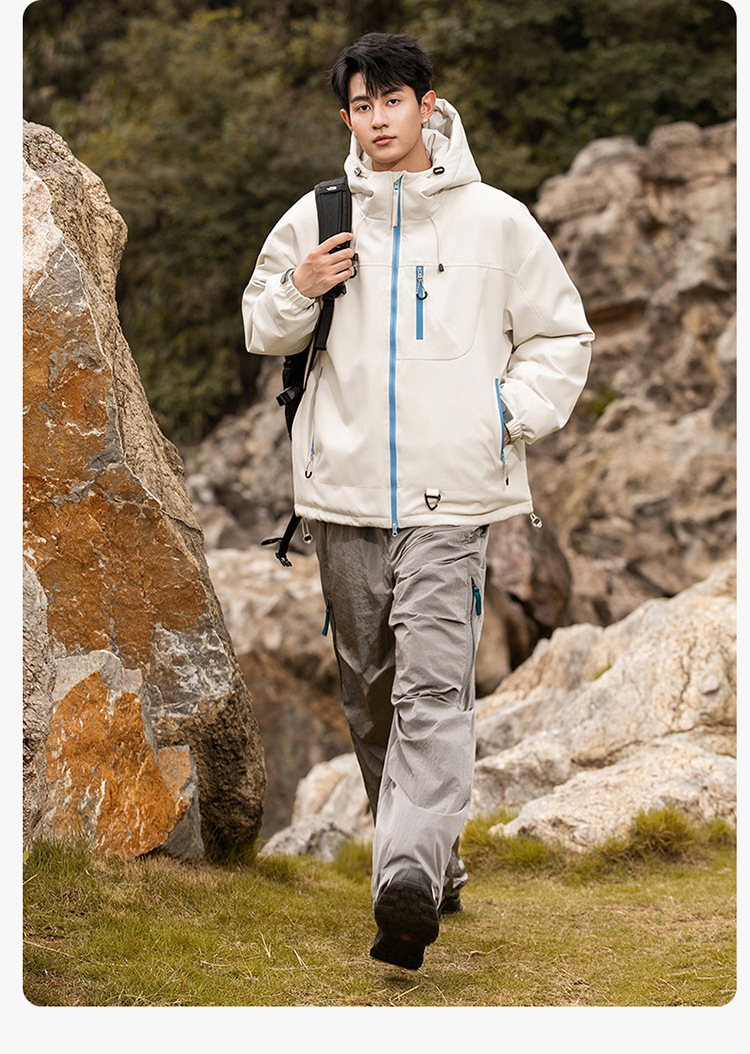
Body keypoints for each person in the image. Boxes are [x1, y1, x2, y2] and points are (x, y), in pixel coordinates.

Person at [242, 32, 593, 970]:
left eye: (391, 100)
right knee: (371, 696)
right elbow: (260, 323)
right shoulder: (317, 216)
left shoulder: (498, 222)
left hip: (451, 502)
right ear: (347, 117)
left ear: (427, 105)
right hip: (343, 501)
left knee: (434, 690)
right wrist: (300, 288)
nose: (377, 119)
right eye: (361, 106)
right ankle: (435, 863)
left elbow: (562, 337)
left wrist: (504, 416)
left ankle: (403, 879)